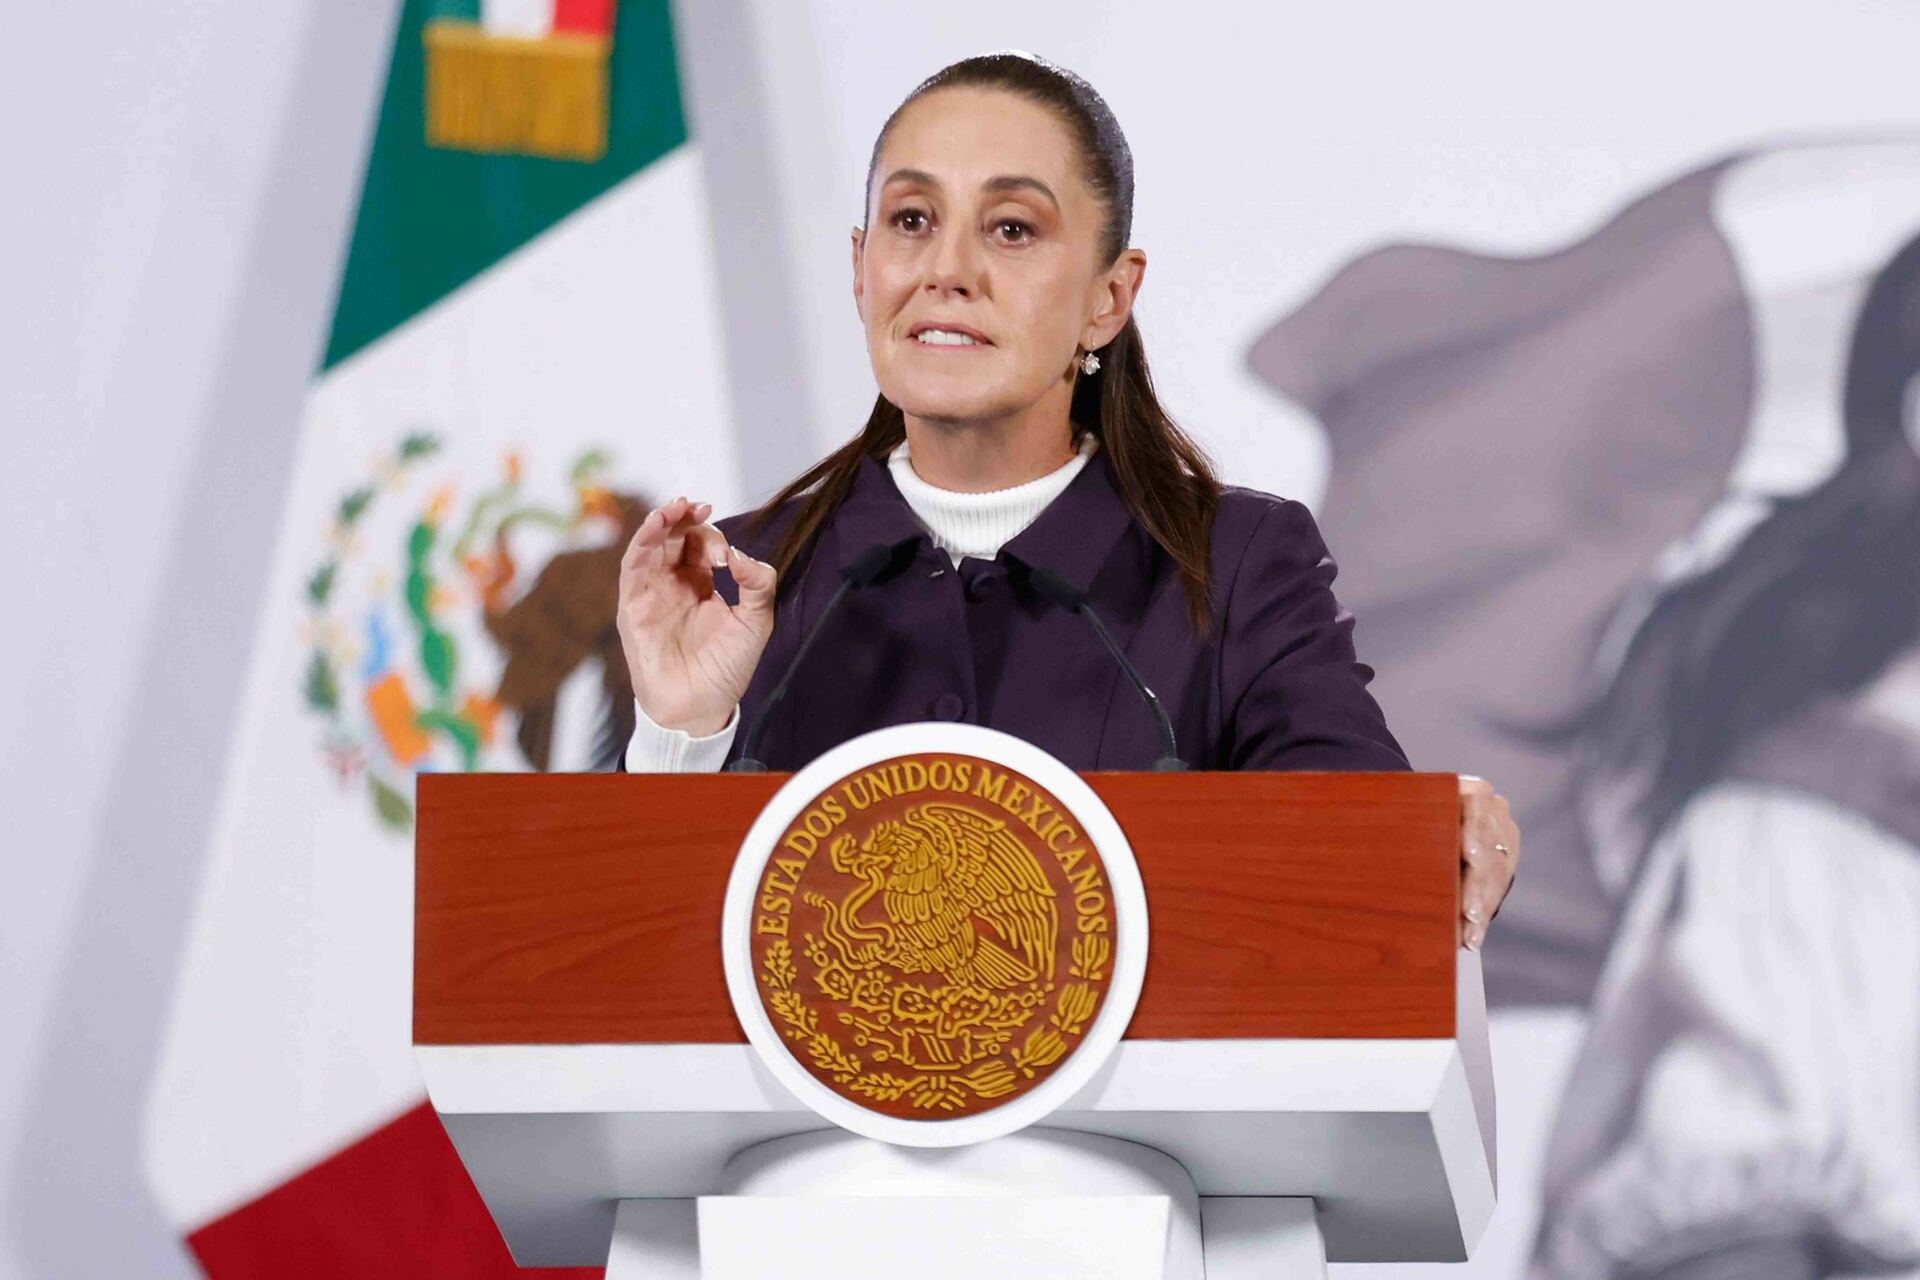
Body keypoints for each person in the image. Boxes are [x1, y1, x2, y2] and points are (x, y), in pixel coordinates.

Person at [613, 52, 1519, 950]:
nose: (946, 270)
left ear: (1109, 298)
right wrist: (679, 735)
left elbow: (1353, 857)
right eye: (912, 219)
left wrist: (1420, 830)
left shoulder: (1234, 564)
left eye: (1011, 229)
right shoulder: (743, 577)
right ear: (861, 268)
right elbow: (626, 961)